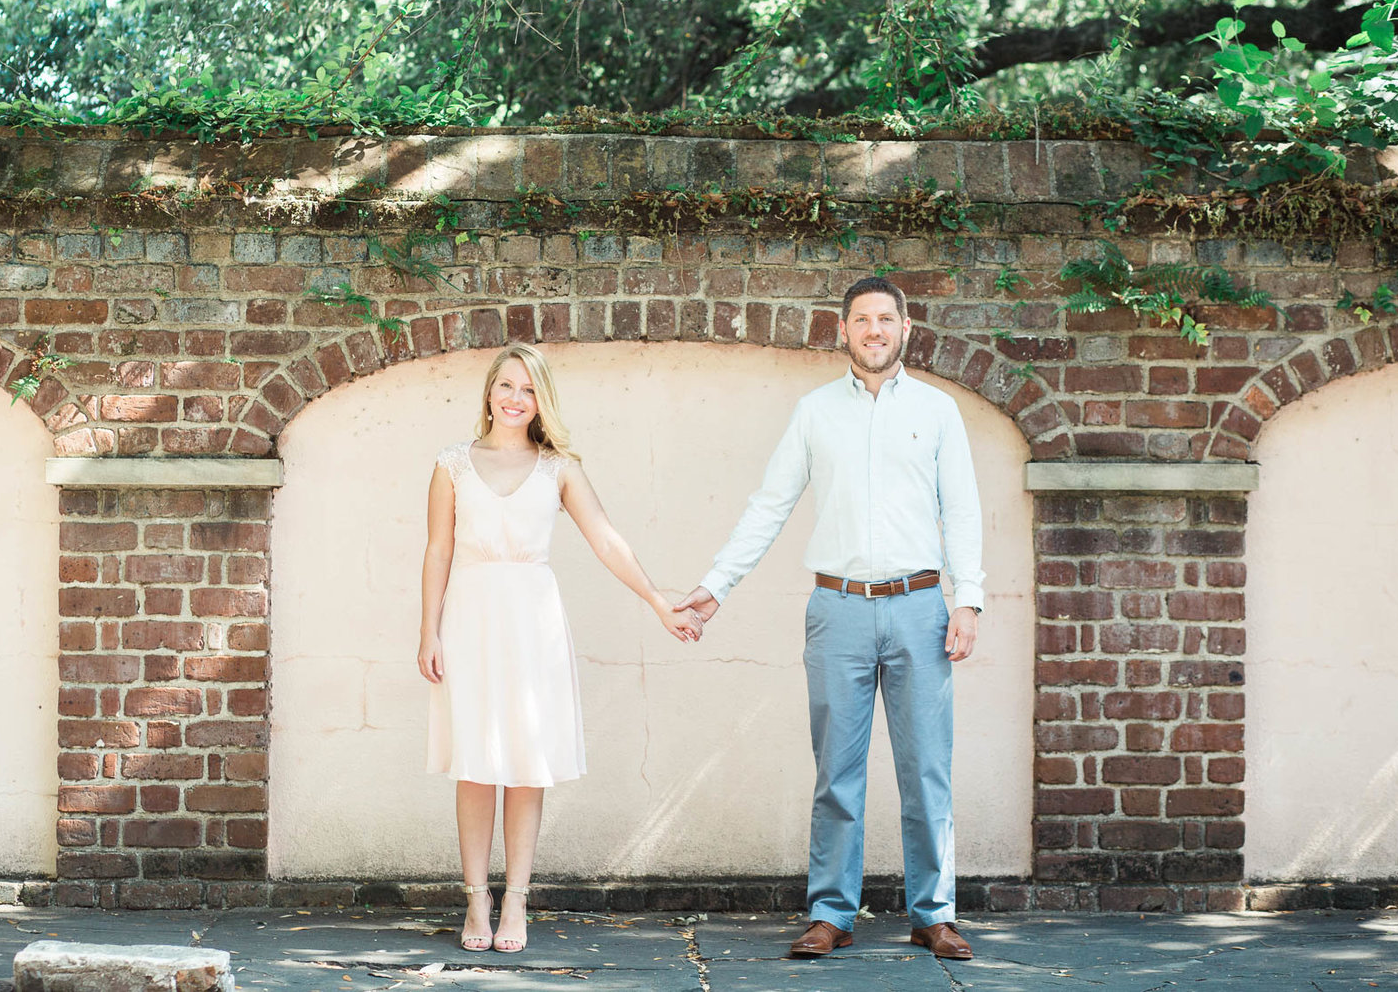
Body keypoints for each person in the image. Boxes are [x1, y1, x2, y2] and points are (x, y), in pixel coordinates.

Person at [675, 276, 984, 962]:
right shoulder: (815, 412)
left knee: (927, 768)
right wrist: (715, 584)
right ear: (841, 330)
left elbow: (961, 509)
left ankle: (934, 912)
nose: (874, 329)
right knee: (836, 773)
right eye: (861, 319)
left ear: (907, 329)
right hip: (838, 608)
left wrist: (968, 598)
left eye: (886, 319)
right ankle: (832, 912)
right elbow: (769, 504)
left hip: (919, 609)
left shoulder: (938, 412)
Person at [418, 342, 703, 954]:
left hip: (532, 623)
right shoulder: (452, 463)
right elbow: (438, 550)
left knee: (525, 764)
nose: (516, 399)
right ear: (489, 392)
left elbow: (605, 539)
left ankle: (516, 901)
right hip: (469, 617)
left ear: (541, 400)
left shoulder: (559, 468)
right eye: (506, 386)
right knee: (474, 765)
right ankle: (476, 898)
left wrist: (656, 598)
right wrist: (428, 631)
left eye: (528, 389)